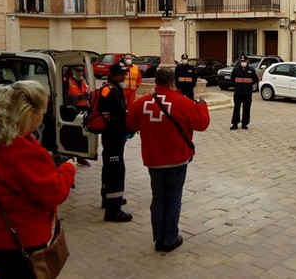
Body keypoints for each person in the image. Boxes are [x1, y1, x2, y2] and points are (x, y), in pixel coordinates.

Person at [0, 80, 77, 279]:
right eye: (42, 113)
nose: (42, 119)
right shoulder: (22, 151)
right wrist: (68, 169)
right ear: (29, 113)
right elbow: (54, 193)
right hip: (18, 239)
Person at [126, 68, 210, 252]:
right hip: (176, 159)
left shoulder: (142, 103)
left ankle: (158, 237)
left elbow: (130, 124)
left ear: (156, 81)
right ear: (173, 83)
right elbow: (201, 124)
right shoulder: (183, 102)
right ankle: (170, 239)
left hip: (153, 160)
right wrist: (202, 105)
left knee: (157, 198)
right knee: (173, 198)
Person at [98, 63, 132, 222]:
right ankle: (113, 209)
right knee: (116, 170)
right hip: (114, 136)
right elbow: (120, 115)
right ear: (112, 75)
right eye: (121, 74)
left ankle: (107, 197)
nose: (124, 76)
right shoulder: (112, 92)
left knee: (109, 167)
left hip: (110, 136)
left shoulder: (109, 88)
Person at [65, 66, 91, 167]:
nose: (80, 72)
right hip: (73, 110)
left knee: (83, 134)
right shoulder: (67, 81)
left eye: (81, 70)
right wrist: (79, 97)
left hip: (84, 109)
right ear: (72, 70)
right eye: (77, 70)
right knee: (72, 134)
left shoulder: (84, 80)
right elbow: (65, 97)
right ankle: (70, 157)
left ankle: (81, 157)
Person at [230, 55, 258, 130]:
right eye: (242, 61)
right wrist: (237, 85)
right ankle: (235, 123)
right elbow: (232, 79)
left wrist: (249, 86)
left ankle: (244, 123)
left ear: (247, 61)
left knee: (246, 108)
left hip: (247, 93)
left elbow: (255, 79)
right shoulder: (236, 70)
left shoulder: (251, 70)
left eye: (244, 61)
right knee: (236, 108)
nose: (243, 63)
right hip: (238, 93)